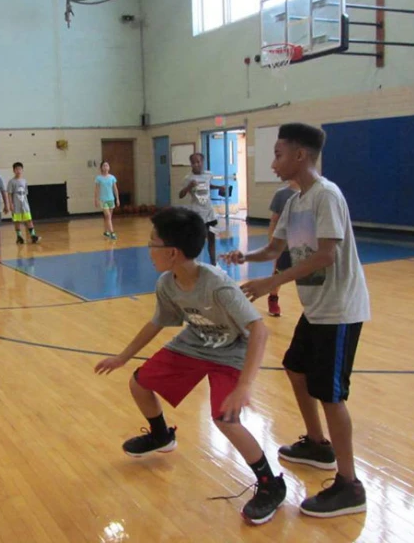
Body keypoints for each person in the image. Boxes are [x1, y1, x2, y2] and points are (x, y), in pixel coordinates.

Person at [95, 206, 286, 525]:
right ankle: (161, 436)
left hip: (231, 352)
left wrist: (244, 386)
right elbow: (157, 323)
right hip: (195, 343)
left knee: (225, 419)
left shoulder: (217, 284)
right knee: (139, 382)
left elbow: (259, 330)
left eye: (152, 243)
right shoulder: (167, 283)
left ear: (171, 252)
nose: (148, 249)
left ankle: (271, 485)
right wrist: (123, 356)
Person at [222, 123, 370, 518]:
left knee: (331, 393)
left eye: (278, 154)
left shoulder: (326, 196)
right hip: (317, 308)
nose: (273, 162)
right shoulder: (294, 200)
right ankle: (319, 446)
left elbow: (326, 256)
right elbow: (275, 247)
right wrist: (246, 257)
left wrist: (272, 281)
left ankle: (350, 485)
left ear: (300, 156)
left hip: (339, 309)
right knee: (294, 368)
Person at [179, 152, 226, 266]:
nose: (196, 164)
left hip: (210, 213)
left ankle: (214, 264)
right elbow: (180, 195)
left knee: (212, 239)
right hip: (197, 213)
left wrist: (219, 187)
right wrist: (189, 186)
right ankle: (194, 264)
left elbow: (207, 185)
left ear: (202, 162)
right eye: (193, 162)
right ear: (191, 164)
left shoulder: (208, 174)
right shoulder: (188, 178)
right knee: (199, 239)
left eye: (198, 162)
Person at [267, 182, 300, 316]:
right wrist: (272, 241)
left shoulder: (315, 193)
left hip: (304, 241)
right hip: (286, 242)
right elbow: (274, 220)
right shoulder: (282, 194)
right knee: (279, 272)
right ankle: (273, 299)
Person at [7, 162, 40, 244]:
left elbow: (25, 193)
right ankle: (19, 236)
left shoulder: (24, 181)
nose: (18, 171)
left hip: (24, 204)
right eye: (16, 169)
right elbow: (9, 194)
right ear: (14, 170)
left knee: (29, 219)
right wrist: (10, 204)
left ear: (22, 170)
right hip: (16, 205)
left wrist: (26, 204)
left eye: (20, 169)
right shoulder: (11, 182)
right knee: (17, 221)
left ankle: (33, 236)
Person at [94, 161, 120, 240]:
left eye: (107, 165)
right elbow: (96, 190)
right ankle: (112, 232)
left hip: (111, 199)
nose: (106, 167)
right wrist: (96, 199)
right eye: (104, 165)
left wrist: (117, 198)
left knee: (108, 217)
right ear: (101, 168)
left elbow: (115, 189)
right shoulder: (99, 178)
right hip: (103, 200)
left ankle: (106, 231)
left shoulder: (112, 177)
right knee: (108, 216)